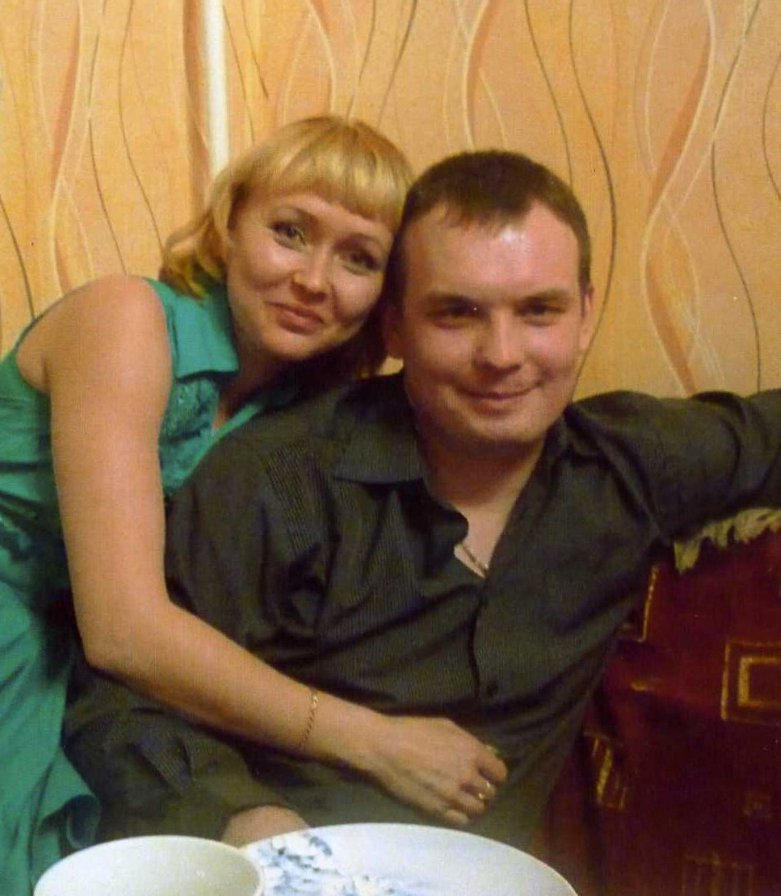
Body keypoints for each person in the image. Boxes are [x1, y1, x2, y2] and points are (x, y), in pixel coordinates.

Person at [64, 148, 781, 855]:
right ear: (395, 326)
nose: (502, 355)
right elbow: (119, 703)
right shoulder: (278, 481)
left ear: (585, 314)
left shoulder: (631, 463)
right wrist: (248, 822)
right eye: (457, 314)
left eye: (539, 311)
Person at [0, 114, 417, 895]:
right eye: (290, 232)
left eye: (358, 258)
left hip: (79, 673)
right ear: (229, 224)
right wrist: (375, 741)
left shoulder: (300, 410)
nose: (314, 280)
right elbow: (124, 629)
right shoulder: (128, 319)